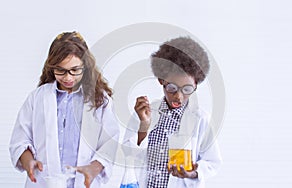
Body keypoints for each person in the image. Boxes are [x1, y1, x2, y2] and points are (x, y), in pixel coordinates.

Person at [9, 31, 120, 188]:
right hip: (44, 182)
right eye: (60, 70)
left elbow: (110, 141)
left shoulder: (99, 100)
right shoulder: (38, 97)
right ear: (52, 67)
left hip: (84, 182)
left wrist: (93, 168)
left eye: (75, 70)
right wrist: (28, 162)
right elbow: (20, 139)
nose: (68, 78)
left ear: (85, 66)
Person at [123, 36, 222, 188]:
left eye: (187, 89)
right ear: (161, 80)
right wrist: (144, 126)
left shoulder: (200, 119)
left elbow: (212, 163)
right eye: (172, 88)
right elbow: (129, 157)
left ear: (196, 84)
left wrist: (192, 173)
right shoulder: (145, 113)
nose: (179, 96)